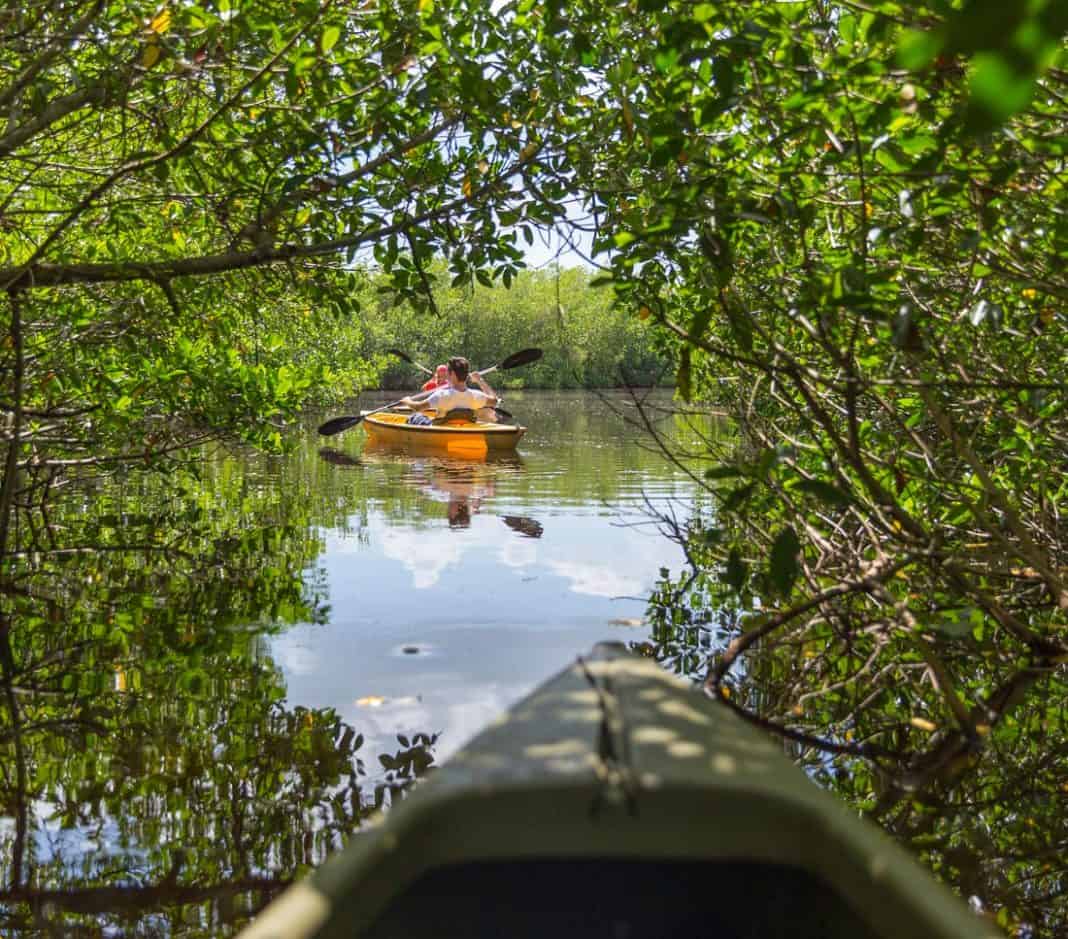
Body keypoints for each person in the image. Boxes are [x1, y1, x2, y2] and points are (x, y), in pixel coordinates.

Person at [400, 356, 499, 424]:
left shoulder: (441, 395)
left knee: (416, 416)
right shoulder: (476, 396)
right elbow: (495, 401)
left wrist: (407, 400)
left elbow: (418, 407)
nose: (446, 374)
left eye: (447, 371)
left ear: (453, 374)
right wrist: (480, 381)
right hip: (463, 427)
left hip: (440, 428)